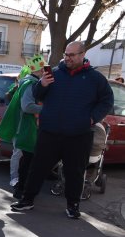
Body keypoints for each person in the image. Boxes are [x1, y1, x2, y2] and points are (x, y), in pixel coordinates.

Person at [11, 41, 114, 218]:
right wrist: (42, 83)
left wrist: (92, 118)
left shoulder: (95, 78)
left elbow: (107, 100)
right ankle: (27, 200)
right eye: (66, 54)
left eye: (72, 55)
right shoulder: (54, 74)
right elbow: (37, 95)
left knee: (75, 172)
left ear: (82, 55)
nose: (67, 58)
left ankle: (73, 206)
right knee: (38, 168)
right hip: (49, 132)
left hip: (79, 134)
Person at [0, 55, 46, 199]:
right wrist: (48, 109)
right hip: (24, 129)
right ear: (41, 69)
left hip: (25, 128)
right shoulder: (30, 84)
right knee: (23, 158)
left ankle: (20, 186)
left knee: (24, 158)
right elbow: (27, 106)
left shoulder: (28, 82)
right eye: (44, 69)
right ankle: (18, 185)